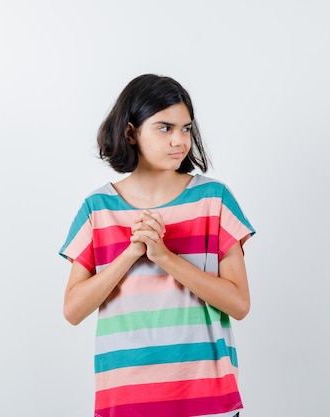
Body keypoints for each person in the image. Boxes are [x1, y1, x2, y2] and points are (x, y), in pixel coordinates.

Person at [59, 74, 256, 417]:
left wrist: (164, 256)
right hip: (126, 401)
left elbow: (239, 304)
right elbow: (73, 310)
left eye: (186, 128)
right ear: (131, 132)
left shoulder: (214, 200)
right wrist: (132, 253)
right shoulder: (98, 209)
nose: (179, 141)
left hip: (205, 399)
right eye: (165, 128)